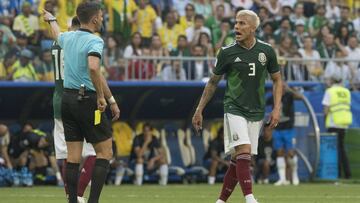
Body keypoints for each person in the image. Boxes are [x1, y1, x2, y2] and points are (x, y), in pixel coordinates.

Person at [192, 10, 282, 203]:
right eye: (236, 23)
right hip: (234, 108)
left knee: (237, 159)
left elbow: (277, 80)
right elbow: (212, 82)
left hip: (256, 111)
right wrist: (199, 109)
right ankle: (250, 198)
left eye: (242, 24)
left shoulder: (266, 51)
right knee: (244, 150)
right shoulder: (226, 52)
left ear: (253, 28)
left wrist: (276, 108)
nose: (237, 27)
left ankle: (221, 200)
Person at [43, 2, 120, 203]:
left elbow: (56, 33)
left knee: (73, 156)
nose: (102, 19)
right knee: (105, 151)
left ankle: (72, 201)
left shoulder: (67, 38)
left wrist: (51, 19)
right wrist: (102, 97)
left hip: (67, 100)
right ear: (95, 19)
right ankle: (93, 201)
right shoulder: (95, 41)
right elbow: (94, 68)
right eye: (102, 16)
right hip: (87, 99)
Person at [50, 17, 97, 203]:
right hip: (79, 100)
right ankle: (77, 194)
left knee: (65, 154)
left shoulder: (56, 42)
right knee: (94, 151)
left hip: (58, 101)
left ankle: (71, 197)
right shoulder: (80, 42)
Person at [267, 82, 302, 186]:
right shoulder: (273, 97)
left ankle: (295, 176)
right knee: (279, 153)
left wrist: (290, 89)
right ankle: (282, 179)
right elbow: (264, 104)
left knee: (291, 153)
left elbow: (300, 97)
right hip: (277, 129)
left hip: (289, 129)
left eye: (282, 87)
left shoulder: (289, 95)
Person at [322, 75, 352, 179]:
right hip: (344, 123)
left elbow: (326, 109)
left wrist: (324, 119)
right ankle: (347, 173)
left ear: (331, 81)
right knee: (342, 148)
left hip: (333, 122)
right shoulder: (346, 91)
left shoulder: (329, 91)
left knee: (335, 150)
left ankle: (337, 173)